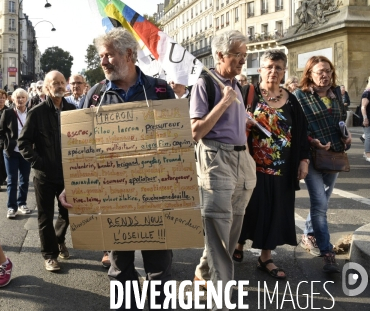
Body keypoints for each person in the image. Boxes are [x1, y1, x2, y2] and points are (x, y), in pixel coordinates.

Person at [66, 28, 176, 307]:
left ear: (129, 54)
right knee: (119, 266)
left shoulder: (160, 91)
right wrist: (72, 185)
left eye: (109, 55)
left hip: (154, 193)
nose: (103, 61)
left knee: (159, 266)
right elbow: (80, 146)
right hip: (113, 196)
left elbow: (178, 143)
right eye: (101, 55)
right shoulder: (94, 96)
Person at [190, 31, 257, 302]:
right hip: (217, 160)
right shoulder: (205, 83)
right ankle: (221, 297)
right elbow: (196, 130)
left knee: (231, 228)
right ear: (220, 55)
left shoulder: (235, 85)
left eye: (245, 54)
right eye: (238, 54)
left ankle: (204, 273)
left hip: (242, 160)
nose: (243, 60)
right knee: (219, 227)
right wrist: (225, 102)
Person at [233, 50, 310, 279]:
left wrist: (304, 160)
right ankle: (238, 244)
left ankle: (265, 257)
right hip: (250, 166)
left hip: (281, 169)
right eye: (268, 67)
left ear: (284, 71)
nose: (273, 72)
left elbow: (302, 132)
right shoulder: (248, 92)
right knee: (246, 209)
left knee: (275, 212)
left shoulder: (292, 100)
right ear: (260, 70)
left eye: (278, 67)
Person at [294, 56, 350, 273]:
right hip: (311, 157)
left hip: (334, 155)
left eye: (327, 70)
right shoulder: (300, 96)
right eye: (319, 71)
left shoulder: (336, 94)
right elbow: (297, 128)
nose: (324, 75)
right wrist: (311, 141)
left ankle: (308, 234)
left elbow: (341, 121)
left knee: (322, 202)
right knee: (319, 205)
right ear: (309, 74)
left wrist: (346, 137)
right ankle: (327, 253)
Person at [18, 70, 76, 272]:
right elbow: (23, 143)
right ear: (47, 87)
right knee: (45, 217)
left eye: (62, 82)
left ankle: (58, 239)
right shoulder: (37, 112)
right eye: (55, 83)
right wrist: (39, 162)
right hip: (44, 175)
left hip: (68, 174)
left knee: (68, 213)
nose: (60, 86)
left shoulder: (73, 110)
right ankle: (50, 255)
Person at [0, 88, 32, 218]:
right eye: (18, 97)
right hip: (11, 152)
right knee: (12, 180)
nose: (20, 100)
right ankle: (11, 207)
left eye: (23, 97)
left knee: (24, 180)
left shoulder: (31, 113)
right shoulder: (8, 113)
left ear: (26, 99)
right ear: (13, 99)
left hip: (26, 152)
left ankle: (22, 203)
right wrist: (4, 145)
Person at [362, 77, 370, 162]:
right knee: (369, 136)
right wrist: (365, 118)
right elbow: (363, 107)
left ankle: (363, 136)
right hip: (368, 118)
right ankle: (367, 153)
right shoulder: (367, 93)